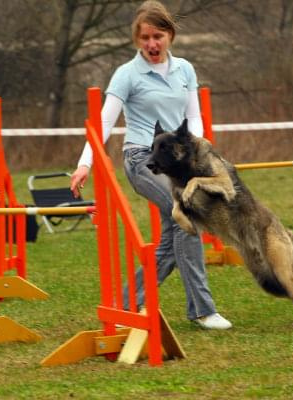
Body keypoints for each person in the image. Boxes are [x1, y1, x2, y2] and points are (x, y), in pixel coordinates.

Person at [70, 0, 231, 330]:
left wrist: (197, 155)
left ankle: (127, 304)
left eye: (157, 36)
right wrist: (85, 163)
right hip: (142, 159)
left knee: (173, 237)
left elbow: (193, 116)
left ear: (170, 35)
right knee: (186, 213)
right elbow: (102, 122)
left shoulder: (185, 69)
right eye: (144, 38)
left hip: (178, 163)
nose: (151, 44)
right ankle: (203, 310)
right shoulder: (127, 75)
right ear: (137, 39)